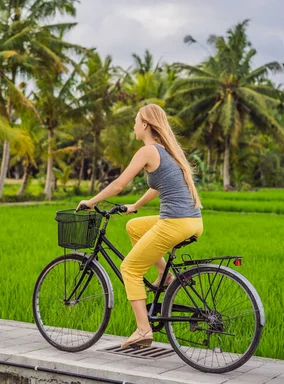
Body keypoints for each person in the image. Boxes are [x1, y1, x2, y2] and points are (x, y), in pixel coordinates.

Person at [76, 103, 203, 349]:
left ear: (145, 124)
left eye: (136, 121)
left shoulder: (147, 152)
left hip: (174, 222)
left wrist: (91, 202)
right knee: (134, 226)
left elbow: (118, 184)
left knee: (130, 269)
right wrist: (135, 205)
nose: (133, 126)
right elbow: (157, 186)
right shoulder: (168, 151)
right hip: (193, 221)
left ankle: (143, 330)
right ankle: (164, 276)